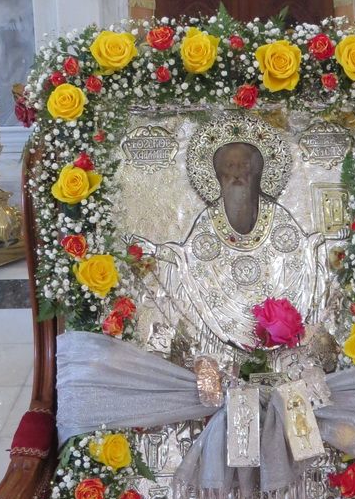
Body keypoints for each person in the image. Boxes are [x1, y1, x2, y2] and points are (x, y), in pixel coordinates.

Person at [135, 140, 328, 359]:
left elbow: (299, 250)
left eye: (243, 165)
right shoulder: (209, 219)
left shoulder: (277, 215)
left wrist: (316, 243)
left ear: (256, 173)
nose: (236, 174)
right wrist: (157, 251)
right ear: (218, 176)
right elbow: (188, 256)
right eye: (229, 167)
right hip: (224, 323)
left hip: (273, 319)